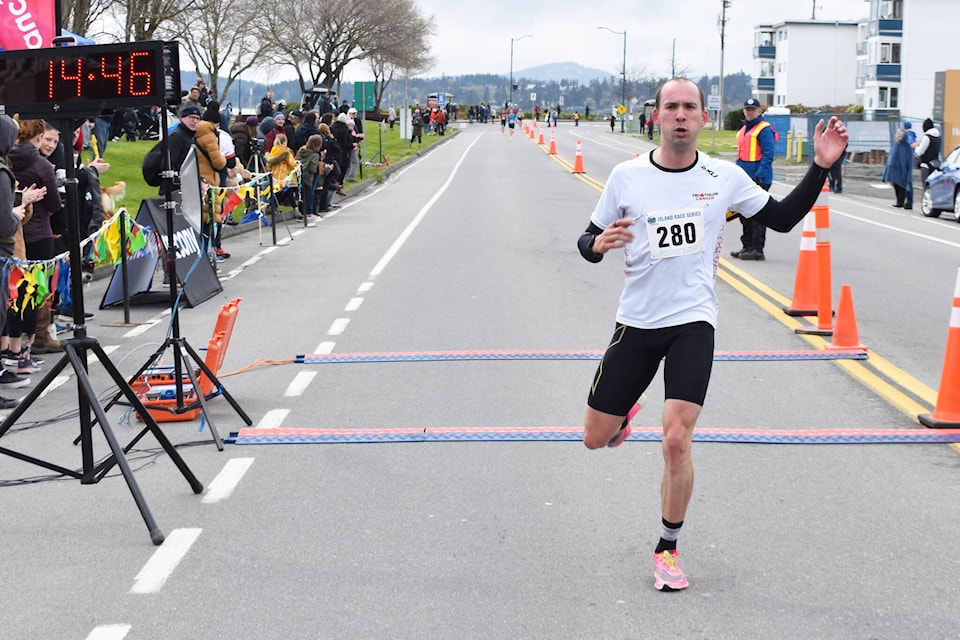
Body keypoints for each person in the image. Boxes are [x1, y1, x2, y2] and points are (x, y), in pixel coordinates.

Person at [576, 77, 848, 593]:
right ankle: (622, 416)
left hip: (693, 323)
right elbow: (586, 239)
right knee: (594, 438)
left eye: (690, 107)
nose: (681, 115)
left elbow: (785, 220)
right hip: (636, 322)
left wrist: (822, 166)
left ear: (703, 118)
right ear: (656, 116)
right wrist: (598, 245)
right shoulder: (626, 177)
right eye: (671, 107)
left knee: (677, 439)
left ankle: (668, 547)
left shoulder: (724, 177)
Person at [731, 98, 777, 261]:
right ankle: (747, 246)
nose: (750, 112)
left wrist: (759, 176)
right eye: (747, 109)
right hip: (744, 179)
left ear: (759, 111)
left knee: (757, 215)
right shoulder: (745, 128)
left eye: (753, 109)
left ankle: (757, 249)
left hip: (758, 178)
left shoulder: (764, 129)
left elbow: (768, 155)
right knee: (744, 214)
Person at [883, 124, 914, 209]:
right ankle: (899, 201)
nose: (900, 136)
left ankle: (904, 202)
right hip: (894, 169)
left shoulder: (907, 147)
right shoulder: (895, 145)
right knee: (896, 185)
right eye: (899, 135)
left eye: (902, 135)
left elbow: (908, 159)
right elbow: (891, 157)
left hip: (903, 169)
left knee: (902, 186)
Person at [915, 117, 942, 186]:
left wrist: (917, 147)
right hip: (935, 163)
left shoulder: (927, 137)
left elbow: (921, 151)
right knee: (933, 185)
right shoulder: (938, 136)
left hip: (926, 164)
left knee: (926, 185)